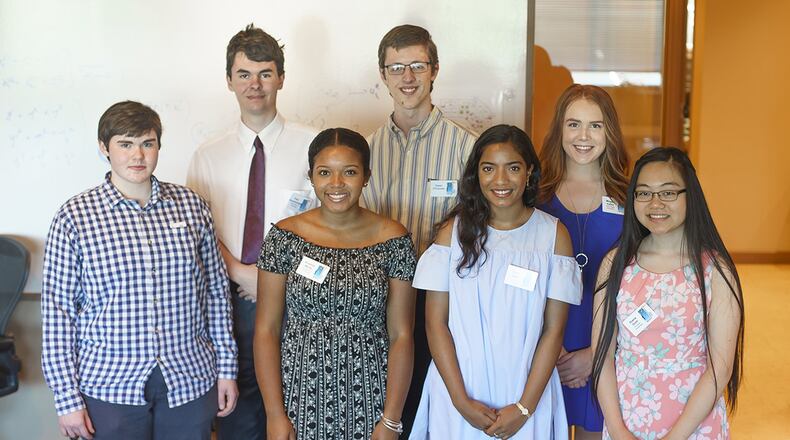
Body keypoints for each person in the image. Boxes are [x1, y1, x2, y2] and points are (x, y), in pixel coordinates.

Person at [41, 101, 238, 440]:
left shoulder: (192, 206)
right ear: (105, 148)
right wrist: (66, 400)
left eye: (147, 143)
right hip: (110, 384)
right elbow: (57, 313)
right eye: (125, 144)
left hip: (189, 377)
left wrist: (227, 370)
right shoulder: (74, 217)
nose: (138, 156)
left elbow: (217, 295)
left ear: (158, 146)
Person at [186, 23, 318, 439]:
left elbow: (331, 225)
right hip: (231, 298)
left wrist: (275, 279)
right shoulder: (208, 154)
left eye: (265, 73)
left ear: (281, 77)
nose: (255, 85)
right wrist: (244, 274)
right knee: (240, 406)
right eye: (244, 74)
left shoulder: (314, 146)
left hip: (301, 296)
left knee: (298, 401)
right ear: (229, 81)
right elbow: (197, 230)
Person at [410, 125, 582, 439]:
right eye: (489, 168)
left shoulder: (553, 236)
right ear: (476, 173)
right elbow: (435, 323)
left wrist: (524, 407)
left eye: (512, 168)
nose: (500, 180)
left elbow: (553, 330)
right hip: (459, 390)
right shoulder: (453, 234)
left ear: (529, 171)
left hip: (526, 392)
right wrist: (460, 401)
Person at [254, 128, 417, 439]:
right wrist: (275, 414)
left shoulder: (394, 239)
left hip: (371, 396)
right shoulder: (285, 237)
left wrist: (392, 419)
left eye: (350, 172)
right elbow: (266, 330)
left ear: (366, 176)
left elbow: (401, 335)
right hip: (300, 394)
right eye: (325, 172)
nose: (337, 184)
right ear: (312, 176)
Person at [362, 24, 477, 434]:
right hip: (376, 307)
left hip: (439, 307)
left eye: (416, 66)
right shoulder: (365, 151)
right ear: (383, 75)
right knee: (382, 415)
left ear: (434, 70)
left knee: (432, 417)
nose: (407, 78)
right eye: (396, 68)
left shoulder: (468, 149)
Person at [591, 147, 745, 439]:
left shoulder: (715, 270)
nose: (655, 203)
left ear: (691, 197)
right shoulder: (616, 263)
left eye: (669, 192)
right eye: (644, 193)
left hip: (693, 425)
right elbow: (603, 355)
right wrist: (617, 428)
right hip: (627, 419)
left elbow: (720, 369)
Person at [537, 84, 629, 439]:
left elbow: (638, 288)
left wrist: (596, 353)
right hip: (546, 346)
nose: (584, 136)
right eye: (574, 124)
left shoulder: (631, 199)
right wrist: (552, 350)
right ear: (559, 129)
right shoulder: (537, 196)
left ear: (610, 132)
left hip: (605, 347)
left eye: (596, 125)